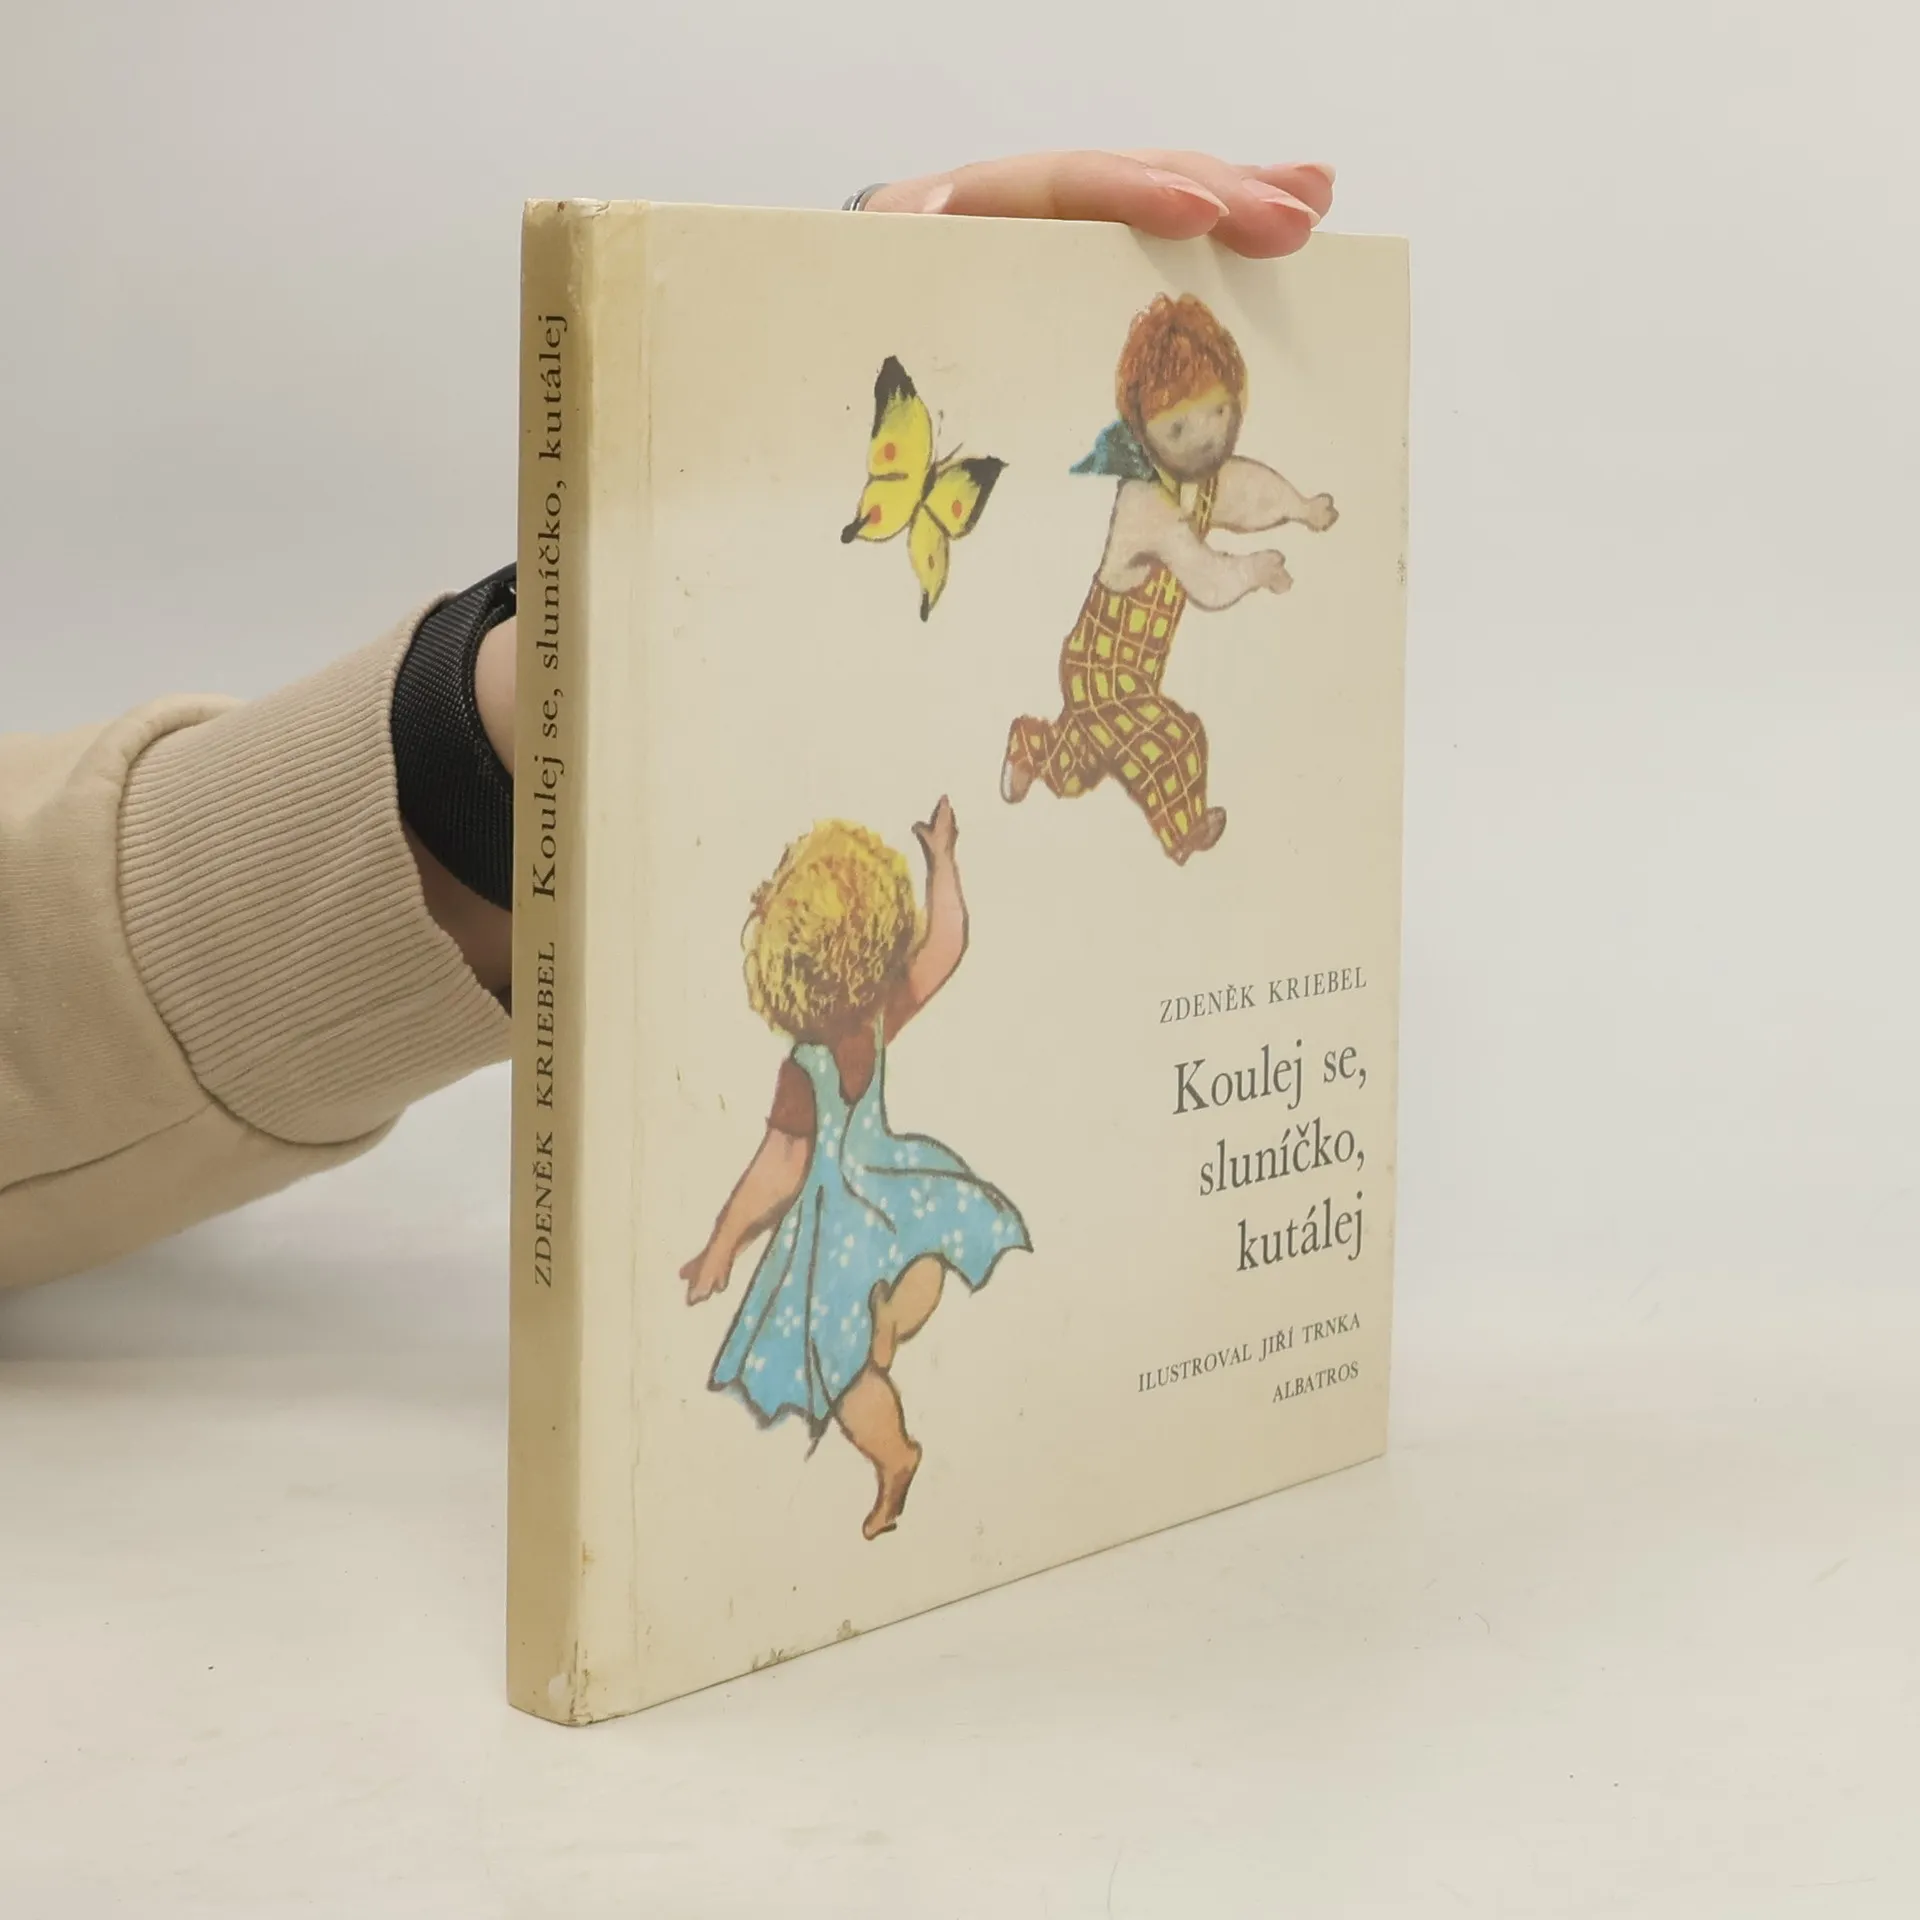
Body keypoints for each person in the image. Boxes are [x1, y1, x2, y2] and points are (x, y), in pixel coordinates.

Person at [0, 150, 1335, 1293]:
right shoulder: (823, 1051)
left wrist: (495, 752)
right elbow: (833, 1087)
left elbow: (931, 971)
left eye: (1218, 412)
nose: (1209, 434)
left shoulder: (852, 1033)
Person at [682, 798, 1030, 1541]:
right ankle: (893, 1385)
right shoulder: (863, 1025)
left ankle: (894, 1436)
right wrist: (942, 863)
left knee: (850, 1358)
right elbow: (945, 947)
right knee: (908, 1272)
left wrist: (723, 1245)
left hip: (846, 1220)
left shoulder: (818, 1056)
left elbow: (778, 1170)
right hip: (875, 1199)